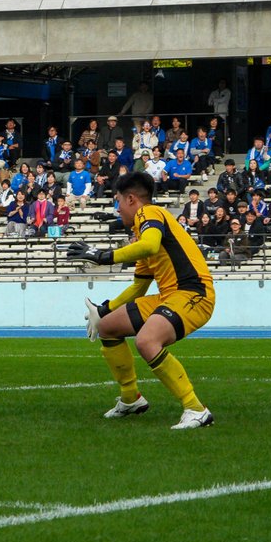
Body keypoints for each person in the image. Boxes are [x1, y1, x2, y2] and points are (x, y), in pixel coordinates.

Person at [68, 171, 216, 430]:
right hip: (171, 295)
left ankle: (196, 409)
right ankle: (131, 399)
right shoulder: (145, 230)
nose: (117, 209)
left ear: (131, 199)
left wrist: (103, 256)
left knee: (146, 341)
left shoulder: (149, 214)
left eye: (118, 202)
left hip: (193, 294)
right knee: (108, 327)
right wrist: (106, 309)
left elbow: (148, 246)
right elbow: (139, 286)